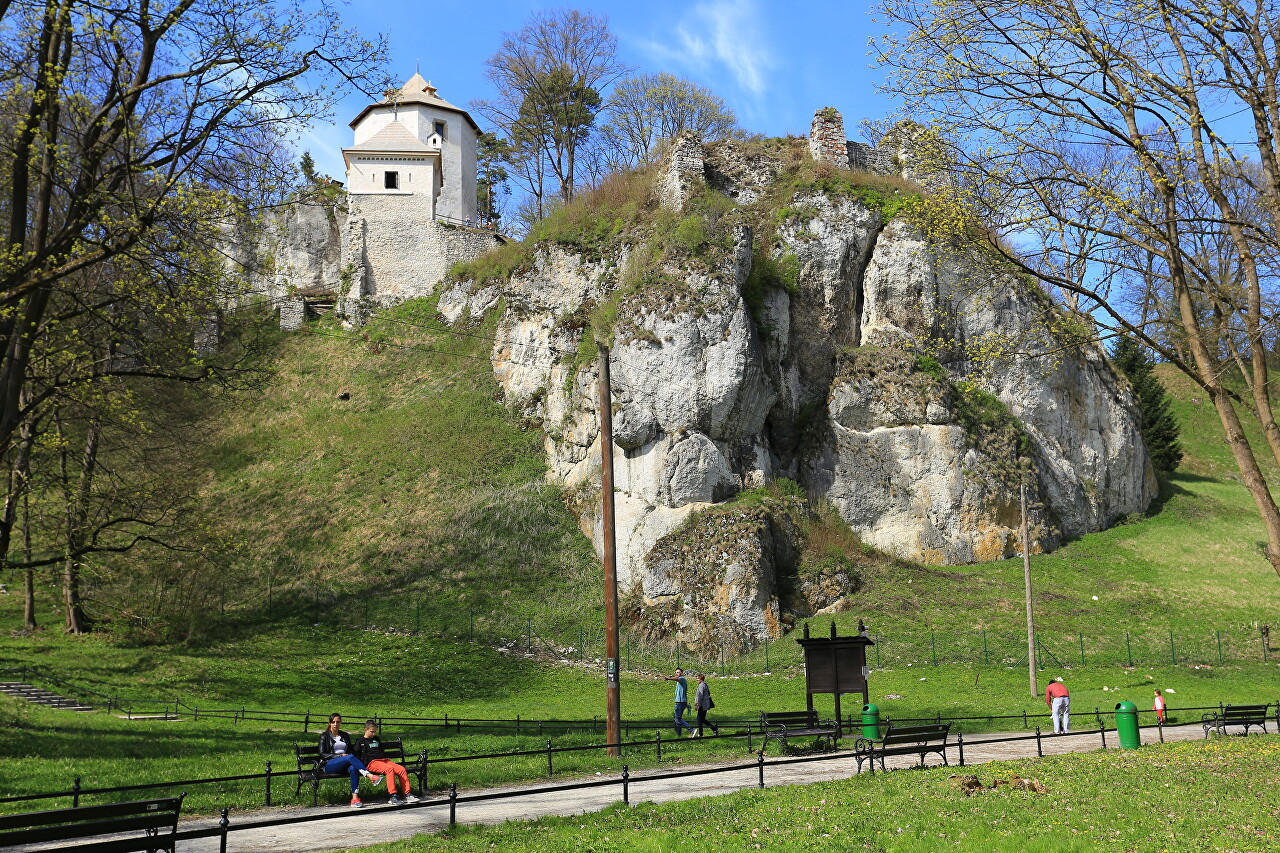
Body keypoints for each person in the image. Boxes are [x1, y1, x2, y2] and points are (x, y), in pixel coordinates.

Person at [318, 713, 382, 807]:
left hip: (345, 763)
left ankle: (355, 799)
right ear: (330, 723)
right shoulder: (324, 736)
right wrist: (340, 756)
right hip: (329, 764)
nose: (336, 724)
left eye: (338, 722)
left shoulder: (344, 735)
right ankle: (370, 775)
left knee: (352, 768)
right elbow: (322, 754)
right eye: (333, 722)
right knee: (350, 757)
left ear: (340, 723)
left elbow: (351, 750)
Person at [355, 720, 422, 805]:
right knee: (389, 769)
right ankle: (393, 796)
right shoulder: (361, 741)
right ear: (365, 729)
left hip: (384, 760)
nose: (374, 734)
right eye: (372, 731)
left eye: (375, 731)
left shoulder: (376, 739)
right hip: (372, 762)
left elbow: (381, 750)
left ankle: (407, 794)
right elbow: (356, 753)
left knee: (401, 769)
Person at [661, 667, 697, 736]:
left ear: (682, 673)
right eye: (676, 672)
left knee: (678, 719)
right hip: (681, 702)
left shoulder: (682, 679)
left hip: (680, 703)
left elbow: (677, 679)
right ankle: (678, 735)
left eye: (678, 672)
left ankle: (692, 730)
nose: (677, 673)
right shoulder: (680, 681)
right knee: (677, 720)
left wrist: (668, 678)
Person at [693, 672, 719, 737]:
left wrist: (697, 705)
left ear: (701, 679)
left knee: (699, 719)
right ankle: (714, 728)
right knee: (702, 719)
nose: (697, 680)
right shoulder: (705, 685)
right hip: (705, 704)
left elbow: (700, 695)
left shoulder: (701, 685)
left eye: (698, 679)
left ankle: (700, 733)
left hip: (702, 705)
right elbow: (708, 693)